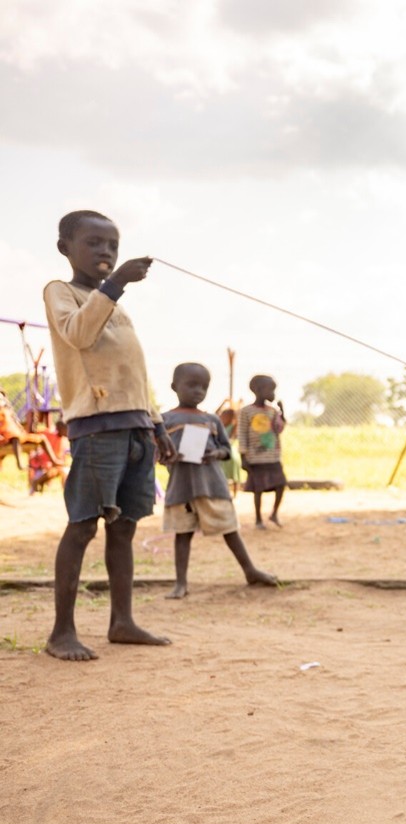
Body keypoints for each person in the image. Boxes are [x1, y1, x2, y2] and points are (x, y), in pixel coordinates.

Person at [42, 210, 177, 661]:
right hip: (97, 429)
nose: (105, 252)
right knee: (82, 526)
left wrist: (157, 424)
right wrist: (115, 282)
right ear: (66, 248)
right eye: (94, 243)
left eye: (112, 245)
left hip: (136, 427)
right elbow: (78, 335)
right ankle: (62, 632)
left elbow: (135, 373)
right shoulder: (62, 293)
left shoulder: (116, 307)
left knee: (124, 530)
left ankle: (122, 622)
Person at [161, 363, 278, 598]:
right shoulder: (165, 420)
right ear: (174, 387)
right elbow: (159, 454)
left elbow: (226, 449)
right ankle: (180, 582)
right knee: (182, 534)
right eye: (192, 385)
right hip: (181, 487)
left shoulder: (212, 420)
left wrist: (215, 454)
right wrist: (170, 456)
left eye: (203, 387)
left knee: (230, 529)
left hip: (212, 485)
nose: (198, 391)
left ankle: (250, 570)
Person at [237, 374, 287, 529]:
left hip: (272, 456)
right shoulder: (246, 411)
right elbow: (242, 433)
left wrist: (282, 413)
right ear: (258, 390)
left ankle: (274, 514)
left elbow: (278, 429)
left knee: (281, 484)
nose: (272, 394)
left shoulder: (272, 411)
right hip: (255, 457)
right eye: (270, 390)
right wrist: (243, 456)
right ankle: (258, 519)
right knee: (258, 489)